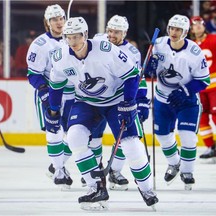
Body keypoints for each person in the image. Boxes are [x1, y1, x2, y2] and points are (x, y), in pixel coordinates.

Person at [45, 16, 158, 210]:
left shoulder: (106, 50)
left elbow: (132, 75)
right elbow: (56, 86)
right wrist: (53, 110)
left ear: (86, 35)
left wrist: (129, 103)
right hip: (86, 102)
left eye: (76, 37)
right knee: (74, 138)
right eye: (68, 37)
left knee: (130, 144)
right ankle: (95, 187)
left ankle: (146, 188)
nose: (73, 42)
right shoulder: (60, 56)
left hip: (116, 101)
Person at [146, 14, 210, 190]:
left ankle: (187, 171)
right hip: (162, 99)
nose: (174, 32)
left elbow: (204, 80)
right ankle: (174, 163)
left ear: (185, 32)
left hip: (186, 101)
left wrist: (185, 91)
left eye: (178, 29)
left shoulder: (194, 52)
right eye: (172, 28)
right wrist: (149, 67)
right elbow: (147, 68)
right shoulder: (158, 44)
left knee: (187, 136)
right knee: (163, 136)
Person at [93, 15, 150, 191]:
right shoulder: (97, 41)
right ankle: (92, 172)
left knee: (125, 137)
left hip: (119, 99)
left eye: (116, 32)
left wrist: (140, 101)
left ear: (124, 33)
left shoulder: (132, 52)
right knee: (92, 136)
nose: (111, 35)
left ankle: (114, 172)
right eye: (110, 30)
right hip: (95, 97)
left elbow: (137, 79)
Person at [26, 4, 73, 189]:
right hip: (51, 93)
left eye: (61, 18)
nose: (59, 22)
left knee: (77, 132)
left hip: (72, 93)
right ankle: (60, 171)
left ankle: (56, 165)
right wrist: (45, 92)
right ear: (47, 22)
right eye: (54, 19)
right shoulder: (40, 45)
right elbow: (33, 74)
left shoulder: (73, 38)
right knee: (55, 132)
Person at [190, 16, 216, 159]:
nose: (198, 26)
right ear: (192, 29)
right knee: (202, 118)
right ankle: (210, 147)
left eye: (200, 24)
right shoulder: (190, 45)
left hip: (215, 88)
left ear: (204, 26)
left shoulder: (213, 39)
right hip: (200, 89)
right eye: (195, 24)